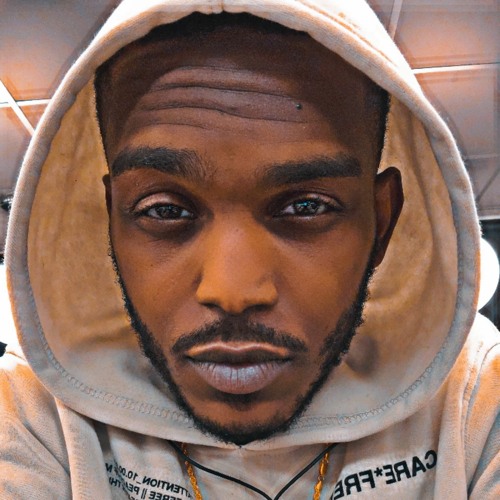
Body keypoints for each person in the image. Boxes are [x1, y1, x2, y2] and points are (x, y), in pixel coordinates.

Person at [0, 0, 498, 498]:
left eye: (306, 207)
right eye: (165, 210)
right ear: (111, 223)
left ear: (381, 223)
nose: (233, 293)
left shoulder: (474, 393)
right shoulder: (39, 406)